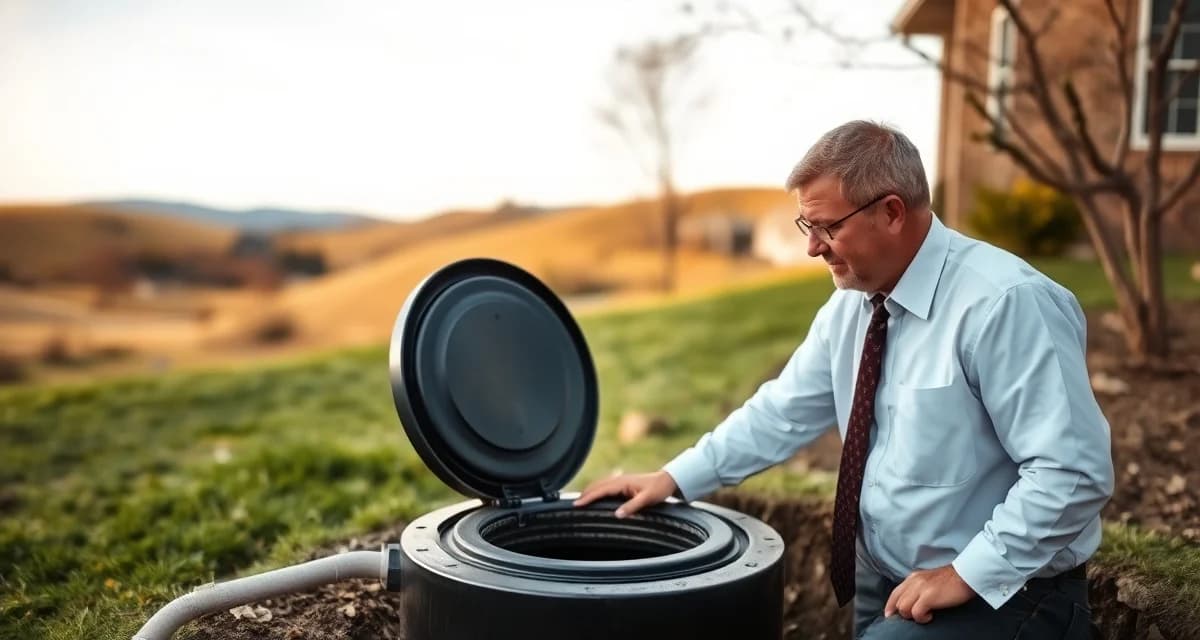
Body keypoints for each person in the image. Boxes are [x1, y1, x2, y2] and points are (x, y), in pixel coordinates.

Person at [574, 120, 1114, 639]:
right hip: (888, 583)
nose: (812, 247)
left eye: (827, 226)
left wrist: (966, 574)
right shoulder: (851, 307)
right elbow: (781, 412)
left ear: (892, 212)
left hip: (1007, 592)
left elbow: (1072, 473)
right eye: (807, 226)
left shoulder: (1004, 304)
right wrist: (672, 477)